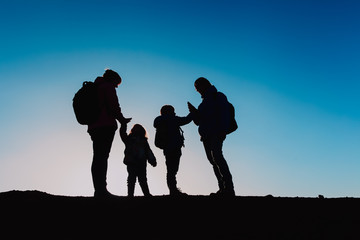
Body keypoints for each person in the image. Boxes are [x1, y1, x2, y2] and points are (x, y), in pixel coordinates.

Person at [187, 77, 235, 197]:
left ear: (204, 85)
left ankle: (228, 188)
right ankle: (222, 188)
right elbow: (199, 121)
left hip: (216, 132)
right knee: (213, 161)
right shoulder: (203, 103)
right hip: (206, 135)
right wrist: (194, 112)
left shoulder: (218, 96)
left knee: (218, 158)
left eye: (197, 87)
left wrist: (223, 130)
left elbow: (224, 113)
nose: (197, 90)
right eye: (196, 88)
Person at [88, 69, 131, 198]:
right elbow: (114, 106)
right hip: (105, 125)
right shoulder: (107, 87)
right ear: (113, 80)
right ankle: (101, 190)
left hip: (93, 126)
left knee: (97, 157)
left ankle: (98, 189)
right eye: (117, 84)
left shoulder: (96, 87)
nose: (116, 86)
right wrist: (122, 120)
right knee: (102, 157)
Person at [153, 105, 192, 196]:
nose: (174, 112)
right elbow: (185, 120)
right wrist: (193, 113)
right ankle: (173, 191)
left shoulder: (161, 121)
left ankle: (173, 190)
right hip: (174, 147)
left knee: (171, 170)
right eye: (173, 111)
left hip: (167, 148)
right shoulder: (172, 119)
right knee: (172, 170)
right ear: (169, 111)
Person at [120, 123, 157, 197]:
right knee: (132, 179)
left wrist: (152, 160)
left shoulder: (143, 141)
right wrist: (123, 125)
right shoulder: (129, 139)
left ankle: (146, 194)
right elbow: (122, 134)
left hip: (141, 162)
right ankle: (131, 195)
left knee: (142, 179)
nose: (137, 130)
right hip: (132, 161)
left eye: (138, 128)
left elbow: (148, 151)